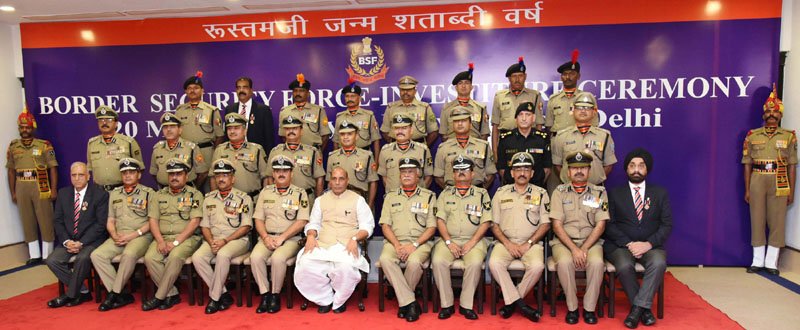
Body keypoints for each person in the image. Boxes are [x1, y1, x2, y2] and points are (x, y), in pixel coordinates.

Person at [604, 148, 672, 329]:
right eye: (632, 165)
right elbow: (609, 224)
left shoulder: (659, 193)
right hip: (621, 245)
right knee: (625, 266)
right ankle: (645, 311)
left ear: (647, 169)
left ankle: (637, 310)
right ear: (626, 169)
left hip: (651, 245)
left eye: (641, 166)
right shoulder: (614, 193)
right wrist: (630, 243)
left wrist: (648, 244)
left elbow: (667, 225)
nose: (636, 169)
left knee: (658, 263)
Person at [294, 167, 374, 314]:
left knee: (346, 266)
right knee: (305, 263)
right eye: (334, 179)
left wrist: (355, 238)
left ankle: (339, 301)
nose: (337, 183)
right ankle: (325, 298)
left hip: (346, 244)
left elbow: (367, 226)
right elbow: (313, 223)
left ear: (347, 181)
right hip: (323, 243)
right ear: (330, 181)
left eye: (341, 179)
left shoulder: (358, 200)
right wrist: (311, 235)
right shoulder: (320, 201)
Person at [742, 85, 797, 275]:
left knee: (777, 221)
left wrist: (791, 190)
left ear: (780, 115)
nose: (772, 115)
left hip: (779, 180)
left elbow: (792, 165)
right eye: (769, 112)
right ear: (763, 115)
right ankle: (757, 261)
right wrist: (747, 188)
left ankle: (771, 263)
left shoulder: (789, 136)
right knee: (756, 219)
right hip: (757, 179)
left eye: (775, 112)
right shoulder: (752, 135)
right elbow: (747, 163)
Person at [488, 152, 548, 322]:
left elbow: (545, 224)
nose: (522, 173)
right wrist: (507, 244)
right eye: (518, 169)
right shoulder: (501, 193)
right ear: (511, 173)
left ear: (532, 173)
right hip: (505, 243)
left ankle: (512, 302)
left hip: (531, 243)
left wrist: (529, 243)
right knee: (494, 263)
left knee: (537, 266)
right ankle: (521, 304)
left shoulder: (541, 193)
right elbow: (494, 224)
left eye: (526, 169)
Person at [550, 151, 608, 325]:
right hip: (564, 242)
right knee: (565, 263)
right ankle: (572, 308)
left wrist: (583, 249)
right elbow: (557, 225)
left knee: (597, 263)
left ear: (589, 171)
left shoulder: (599, 192)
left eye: (583, 168)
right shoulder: (559, 192)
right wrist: (574, 249)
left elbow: (601, 224)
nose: (579, 171)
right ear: (568, 172)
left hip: (591, 242)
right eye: (574, 169)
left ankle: (589, 308)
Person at [432, 156, 492, 320]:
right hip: (449, 240)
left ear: (472, 174)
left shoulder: (482, 194)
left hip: (474, 240)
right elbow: (440, 220)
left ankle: (466, 305)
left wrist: (472, 243)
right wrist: (449, 242)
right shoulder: (445, 194)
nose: (461, 173)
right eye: (457, 170)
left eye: (465, 170)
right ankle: (447, 304)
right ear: (453, 175)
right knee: (438, 261)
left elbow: (486, 221)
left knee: (474, 263)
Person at [90, 158, 155, 311]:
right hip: (118, 236)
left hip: (140, 236)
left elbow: (152, 222)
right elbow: (110, 219)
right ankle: (122, 294)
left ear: (138, 175)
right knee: (96, 255)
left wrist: (133, 235)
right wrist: (113, 234)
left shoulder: (148, 193)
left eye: (131, 172)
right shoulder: (114, 193)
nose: (127, 175)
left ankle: (114, 294)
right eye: (124, 172)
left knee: (129, 254)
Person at [378, 157, 437, 322]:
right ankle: (410, 303)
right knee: (385, 259)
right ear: (399, 175)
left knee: (414, 262)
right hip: (394, 241)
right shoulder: (390, 197)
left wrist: (414, 245)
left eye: (410, 171)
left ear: (418, 175)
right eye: (403, 172)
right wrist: (397, 245)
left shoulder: (429, 196)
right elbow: (385, 226)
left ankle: (405, 303)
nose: (406, 175)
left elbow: (432, 227)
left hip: (420, 243)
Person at [251, 155, 311, 313]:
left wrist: (282, 238)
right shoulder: (265, 192)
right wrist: (265, 237)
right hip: (267, 237)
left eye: (285, 170)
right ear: (273, 173)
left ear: (292, 173)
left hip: (291, 239)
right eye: (278, 171)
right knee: (255, 257)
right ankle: (265, 295)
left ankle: (275, 295)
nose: (281, 174)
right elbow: (258, 218)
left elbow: (303, 220)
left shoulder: (300, 193)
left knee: (278, 258)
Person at [142, 158, 204, 311]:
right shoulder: (159, 195)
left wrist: (175, 242)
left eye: (178, 174)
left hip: (186, 239)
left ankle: (159, 296)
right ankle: (171, 293)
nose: (174, 177)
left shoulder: (195, 195)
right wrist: (160, 241)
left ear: (186, 176)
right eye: (171, 174)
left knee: (174, 256)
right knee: (150, 258)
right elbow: (153, 220)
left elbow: (195, 222)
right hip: (162, 238)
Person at [193, 159, 253, 314]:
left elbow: (246, 226)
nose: (221, 178)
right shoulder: (209, 198)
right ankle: (224, 293)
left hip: (236, 240)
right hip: (213, 239)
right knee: (197, 258)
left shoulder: (243, 198)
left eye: (225, 175)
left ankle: (215, 298)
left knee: (223, 254)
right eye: (218, 175)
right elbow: (204, 225)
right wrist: (211, 240)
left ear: (233, 178)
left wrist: (225, 241)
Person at [45, 162, 109, 308]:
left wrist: (82, 242)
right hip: (69, 240)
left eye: (81, 175)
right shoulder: (63, 193)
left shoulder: (100, 195)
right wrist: (67, 241)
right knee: (52, 260)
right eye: (74, 175)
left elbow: (100, 224)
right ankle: (83, 291)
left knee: (83, 258)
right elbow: (58, 221)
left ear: (88, 176)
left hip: (91, 240)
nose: (77, 178)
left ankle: (70, 295)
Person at [7, 107, 58, 264]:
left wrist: (54, 189)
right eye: (22, 127)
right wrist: (13, 192)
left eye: (27, 127)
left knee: (45, 219)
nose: (24, 130)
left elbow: (53, 168)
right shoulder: (14, 146)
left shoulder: (44, 145)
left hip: (40, 184)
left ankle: (47, 255)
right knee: (27, 220)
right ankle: (34, 254)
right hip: (21, 185)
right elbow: (10, 171)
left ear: (32, 127)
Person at [174, 71, 225, 190]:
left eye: (196, 88)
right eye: (189, 88)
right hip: (186, 153)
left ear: (202, 91)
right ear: (186, 91)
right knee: (187, 183)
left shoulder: (211, 110)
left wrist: (214, 156)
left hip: (206, 152)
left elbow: (219, 136)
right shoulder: (179, 111)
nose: (192, 90)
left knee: (208, 187)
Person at [551, 92, 616, 185]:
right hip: (568, 191)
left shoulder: (604, 136)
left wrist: (594, 182)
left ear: (594, 112)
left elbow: (608, 165)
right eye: (579, 108)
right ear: (573, 111)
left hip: (595, 190)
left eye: (587, 108)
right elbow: (558, 165)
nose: (583, 111)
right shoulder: (561, 136)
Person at [492, 56, 544, 160]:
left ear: (525, 76)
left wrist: (538, 145)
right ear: (509, 78)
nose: (517, 79)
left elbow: (538, 124)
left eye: (520, 76)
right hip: (506, 142)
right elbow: (495, 126)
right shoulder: (499, 96)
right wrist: (495, 150)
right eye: (514, 76)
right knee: (506, 173)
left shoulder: (535, 95)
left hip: (529, 139)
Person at [434, 107, 496, 189]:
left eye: (463, 121)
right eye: (456, 121)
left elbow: (490, 173)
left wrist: (480, 192)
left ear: (470, 124)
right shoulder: (443, 148)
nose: (459, 124)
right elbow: (438, 176)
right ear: (452, 125)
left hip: (477, 194)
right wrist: (450, 192)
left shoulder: (484, 146)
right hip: (452, 195)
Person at [266, 115, 325, 201]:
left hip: (306, 199)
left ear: (301, 131)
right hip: (281, 198)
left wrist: (318, 202)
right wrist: (274, 197)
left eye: (294, 128)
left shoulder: (312, 152)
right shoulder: (275, 152)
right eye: (287, 129)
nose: (291, 131)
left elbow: (319, 179)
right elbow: (270, 177)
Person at [211, 113, 269, 198]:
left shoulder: (256, 150)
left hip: (252, 200)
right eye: (229, 128)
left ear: (245, 130)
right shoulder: (220, 150)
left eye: (236, 128)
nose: (232, 131)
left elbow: (266, 178)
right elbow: (213, 177)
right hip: (226, 201)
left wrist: (264, 199)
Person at [86, 105, 143, 191]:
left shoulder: (128, 142)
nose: (104, 123)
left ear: (116, 123)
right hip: (99, 193)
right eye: (101, 120)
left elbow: (139, 169)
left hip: (122, 191)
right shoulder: (92, 144)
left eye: (109, 120)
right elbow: (89, 169)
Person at [497, 102, 551, 188]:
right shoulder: (506, 139)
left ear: (533, 118)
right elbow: (502, 169)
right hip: (511, 189)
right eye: (520, 115)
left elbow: (547, 169)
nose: (524, 118)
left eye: (528, 115)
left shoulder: (542, 138)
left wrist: (536, 187)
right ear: (516, 119)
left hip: (536, 188)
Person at [326, 121, 379, 208]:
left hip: (360, 202)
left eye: (349, 134)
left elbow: (373, 182)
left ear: (357, 136)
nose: (345, 137)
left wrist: (369, 205)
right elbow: (329, 183)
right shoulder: (332, 157)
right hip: (338, 203)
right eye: (342, 134)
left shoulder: (367, 156)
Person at [150, 111, 209, 189]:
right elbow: (154, 172)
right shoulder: (157, 149)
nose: (168, 130)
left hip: (186, 192)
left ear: (180, 130)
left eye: (172, 127)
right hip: (164, 193)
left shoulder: (191, 148)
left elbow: (203, 173)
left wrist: (194, 189)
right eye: (165, 127)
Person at [545, 49, 598, 134]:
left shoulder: (587, 98)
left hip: (579, 142)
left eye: (572, 74)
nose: (568, 77)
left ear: (578, 76)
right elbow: (549, 125)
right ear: (561, 77)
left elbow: (594, 125)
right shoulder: (553, 99)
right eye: (565, 74)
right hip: (558, 142)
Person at [378, 114, 433, 191]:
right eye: (396, 128)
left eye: (404, 128)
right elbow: (384, 178)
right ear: (393, 130)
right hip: (394, 199)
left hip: (417, 199)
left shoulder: (423, 150)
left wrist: (419, 194)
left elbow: (428, 176)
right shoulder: (385, 151)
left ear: (411, 130)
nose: (400, 131)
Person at [278, 73, 331, 151]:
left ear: (308, 93)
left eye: (301, 91)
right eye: (295, 91)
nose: (298, 93)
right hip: (292, 153)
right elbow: (283, 135)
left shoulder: (318, 110)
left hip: (313, 152)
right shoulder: (285, 111)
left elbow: (325, 135)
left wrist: (318, 153)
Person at [381, 76, 439, 145]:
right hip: (396, 151)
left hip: (418, 149)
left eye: (409, 90)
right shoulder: (391, 108)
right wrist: (395, 146)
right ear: (399, 91)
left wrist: (424, 148)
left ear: (415, 91)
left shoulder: (425, 107)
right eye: (402, 89)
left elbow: (434, 131)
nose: (405, 92)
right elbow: (385, 131)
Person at [333, 79, 381, 161]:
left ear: (359, 98)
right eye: (347, 96)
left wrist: (376, 162)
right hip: (344, 157)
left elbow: (376, 140)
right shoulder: (339, 117)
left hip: (364, 157)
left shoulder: (368, 116)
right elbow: (336, 141)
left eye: (353, 96)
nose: (349, 99)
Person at [439, 63, 489, 141]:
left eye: (467, 83)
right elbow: (444, 135)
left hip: (475, 149)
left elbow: (484, 134)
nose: (463, 86)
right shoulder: (446, 108)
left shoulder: (481, 108)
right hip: (453, 149)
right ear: (456, 88)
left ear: (471, 87)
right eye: (460, 83)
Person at [224, 76, 275, 149]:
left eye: (245, 87)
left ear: (251, 90)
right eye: (238, 87)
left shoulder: (263, 110)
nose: (241, 90)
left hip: (256, 153)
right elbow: (226, 136)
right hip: (234, 152)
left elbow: (269, 138)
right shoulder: (229, 109)